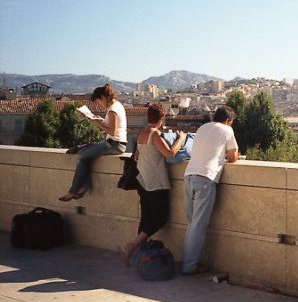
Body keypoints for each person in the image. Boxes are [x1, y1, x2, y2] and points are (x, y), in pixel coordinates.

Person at [120, 104, 186, 264]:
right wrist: (181, 139)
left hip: (142, 181)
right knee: (160, 218)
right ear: (161, 119)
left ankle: (135, 256)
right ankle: (132, 245)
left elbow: (136, 156)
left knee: (146, 218)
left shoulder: (142, 133)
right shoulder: (155, 134)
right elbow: (169, 154)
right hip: (155, 183)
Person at [181, 106, 238, 275]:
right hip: (205, 178)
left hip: (189, 176)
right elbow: (233, 157)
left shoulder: (202, 128)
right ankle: (189, 266)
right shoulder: (227, 130)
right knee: (198, 226)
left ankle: (186, 261)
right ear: (228, 120)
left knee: (192, 224)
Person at [59, 84, 128, 201]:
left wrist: (97, 124)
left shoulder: (113, 110)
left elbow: (112, 130)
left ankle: (73, 191)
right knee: (84, 153)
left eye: (98, 102)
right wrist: (99, 120)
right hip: (115, 143)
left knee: (82, 156)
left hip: (114, 144)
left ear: (103, 97)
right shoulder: (117, 106)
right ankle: (83, 187)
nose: (99, 105)